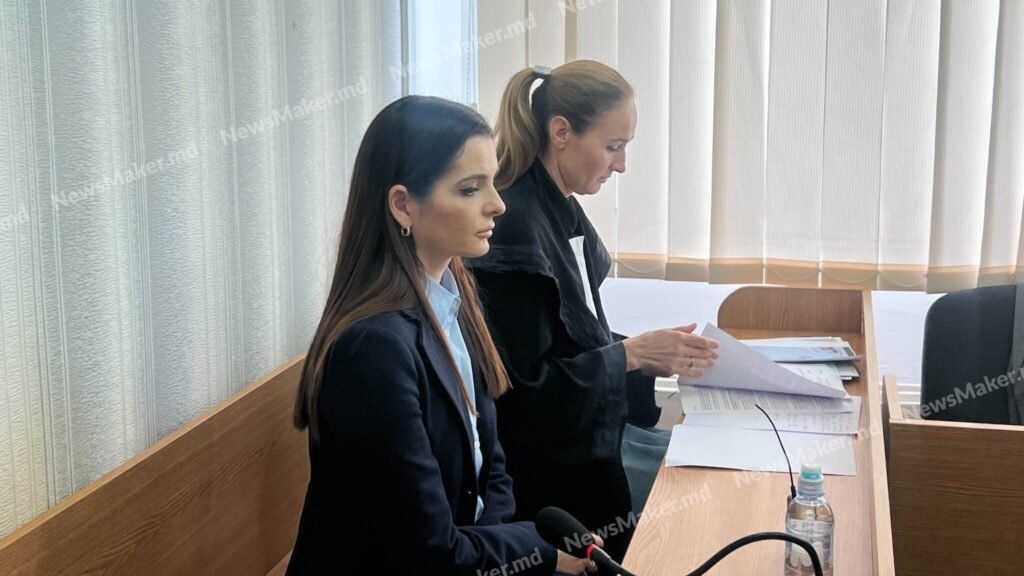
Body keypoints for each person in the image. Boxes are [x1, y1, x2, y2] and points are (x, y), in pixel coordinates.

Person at [286, 95, 595, 575]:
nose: (497, 205)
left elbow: (491, 469)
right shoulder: (373, 350)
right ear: (403, 205)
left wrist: (512, 552)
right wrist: (542, 553)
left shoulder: (455, 300)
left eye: (492, 182)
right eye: (470, 189)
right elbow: (428, 551)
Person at [468, 61, 720, 564]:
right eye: (612, 147)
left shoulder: (558, 207)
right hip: (543, 488)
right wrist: (629, 355)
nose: (621, 165)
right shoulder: (514, 226)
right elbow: (525, 394)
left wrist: (650, 352)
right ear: (561, 132)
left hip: (581, 460)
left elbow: (574, 338)